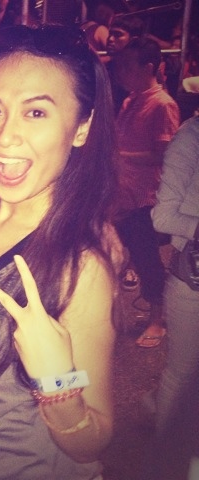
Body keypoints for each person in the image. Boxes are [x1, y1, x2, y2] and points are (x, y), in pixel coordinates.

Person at [0, 24, 117, 478]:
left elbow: (94, 442)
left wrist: (56, 381)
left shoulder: (82, 266)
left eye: (36, 113)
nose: (5, 136)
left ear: (82, 128)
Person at [114, 37, 180, 348]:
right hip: (122, 194)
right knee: (115, 253)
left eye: (128, 66)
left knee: (147, 259)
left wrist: (120, 156)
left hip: (145, 198)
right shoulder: (130, 101)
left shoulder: (163, 104)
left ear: (149, 67)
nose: (121, 72)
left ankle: (158, 318)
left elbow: (166, 154)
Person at [150, 116, 199, 441]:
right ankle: (166, 448)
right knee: (181, 373)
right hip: (193, 281)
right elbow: (163, 217)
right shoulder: (191, 138)